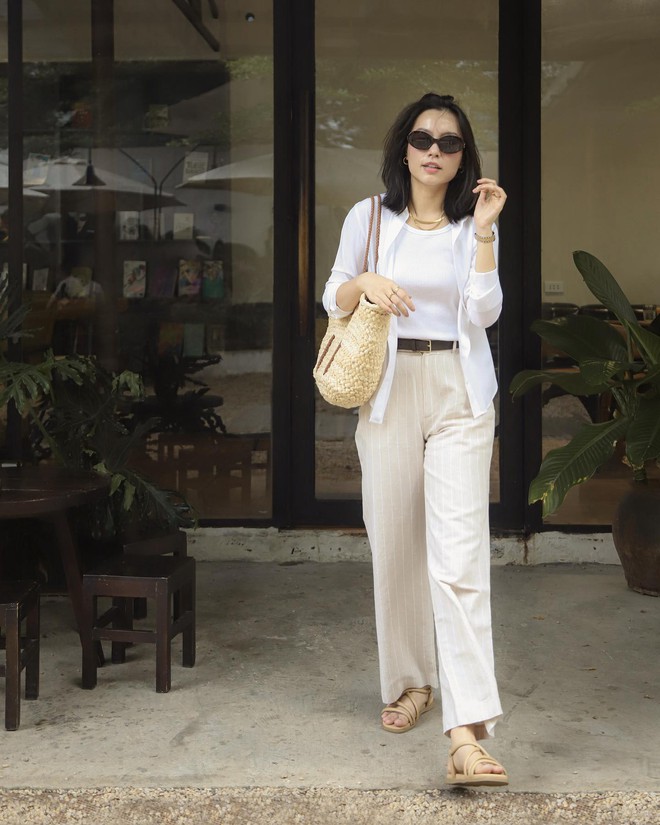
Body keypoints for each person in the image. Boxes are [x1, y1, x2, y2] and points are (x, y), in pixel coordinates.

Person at [322, 93, 508, 787]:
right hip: (390, 389)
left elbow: (485, 312)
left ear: (463, 158)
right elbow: (332, 295)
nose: (434, 150)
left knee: (459, 558)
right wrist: (365, 282)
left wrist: (484, 234)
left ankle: (466, 731)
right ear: (403, 148)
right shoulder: (369, 218)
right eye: (423, 138)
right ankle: (411, 681)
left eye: (449, 142)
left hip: (458, 392)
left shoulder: (471, 226)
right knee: (396, 544)